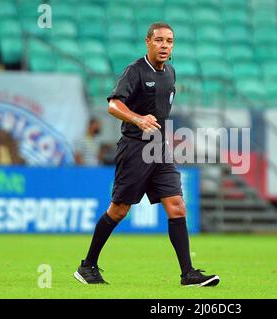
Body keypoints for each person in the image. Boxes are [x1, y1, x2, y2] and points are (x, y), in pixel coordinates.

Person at [74, 22, 220, 287]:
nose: (165, 45)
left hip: (159, 148)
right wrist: (138, 119)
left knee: (176, 205)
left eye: (170, 41)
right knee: (119, 210)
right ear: (148, 42)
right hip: (134, 148)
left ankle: (188, 274)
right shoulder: (135, 71)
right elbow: (113, 104)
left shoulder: (171, 73)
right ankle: (88, 266)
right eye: (160, 40)